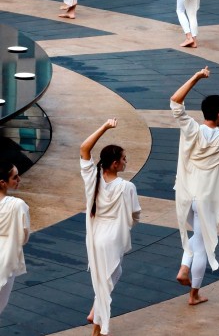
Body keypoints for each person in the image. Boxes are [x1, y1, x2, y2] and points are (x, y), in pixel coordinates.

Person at [171, 67, 219, 306]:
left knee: (196, 237)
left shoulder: (191, 131)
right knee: (203, 244)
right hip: (205, 200)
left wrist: (196, 77)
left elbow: (176, 101)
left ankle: (184, 267)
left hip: (185, 194)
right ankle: (194, 293)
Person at [80, 118, 141, 336]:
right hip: (113, 237)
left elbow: (84, 148)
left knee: (104, 279)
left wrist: (104, 127)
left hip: (94, 237)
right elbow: (135, 215)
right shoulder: (127, 187)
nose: (126, 162)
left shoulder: (92, 178)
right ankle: (98, 328)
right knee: (107, 282)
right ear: (115, 164)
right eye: (123, 159)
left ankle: (95, 313)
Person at [0, 159, 29, 317]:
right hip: (6, 258)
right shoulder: (18, 205)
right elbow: (24, 236)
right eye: (15, 177)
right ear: (3, 182)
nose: (19, 180)